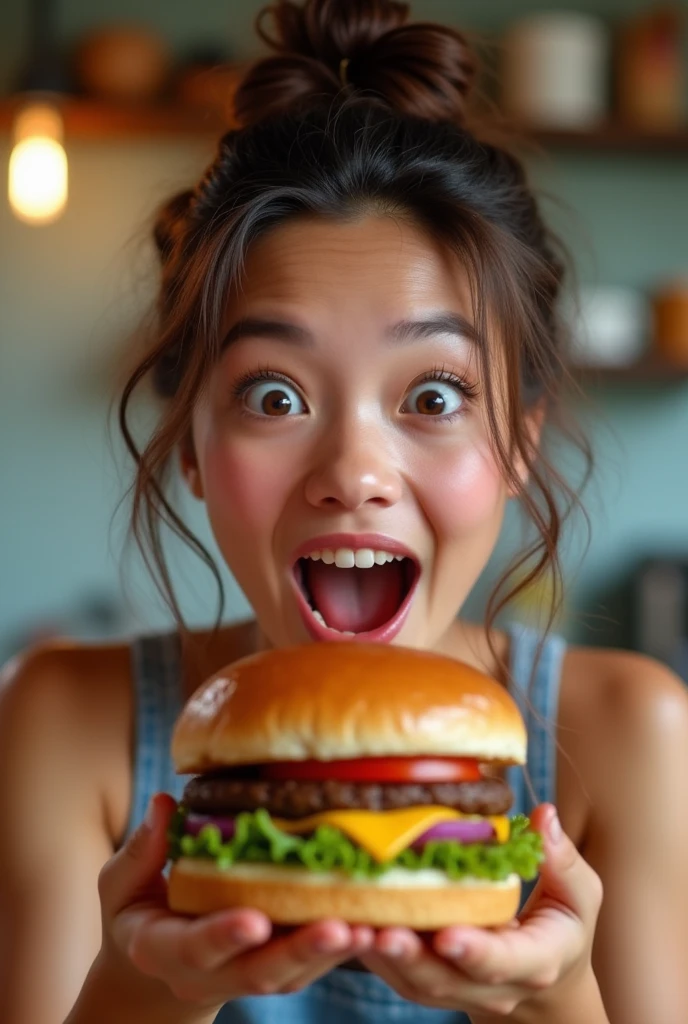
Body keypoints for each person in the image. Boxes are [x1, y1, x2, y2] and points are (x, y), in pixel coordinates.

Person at [2, 1, 688, 1022]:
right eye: (273, 395)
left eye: (433, 395)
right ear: (192, 442)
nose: (353, 471)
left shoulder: (632, 731)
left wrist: (558, 997)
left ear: (519, 442)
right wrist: (145, 987)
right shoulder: (65, 720)